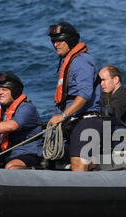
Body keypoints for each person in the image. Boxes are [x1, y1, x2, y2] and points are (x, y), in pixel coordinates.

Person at [47, 22, 102, 171]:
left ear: (69, 40)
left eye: (59, 41)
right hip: (74, 121)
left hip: (86, 121)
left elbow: (84, 94)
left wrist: (63, 116)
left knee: (78, 166)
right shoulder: (68, 61)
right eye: (53, 41)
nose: (55, 44)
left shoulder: (81, 61)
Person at [99, 65, 126, 130]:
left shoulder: (118, 99)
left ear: (116, 79)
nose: (101, 84)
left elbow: (108, 125)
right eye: (100, 81)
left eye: (104, 80)